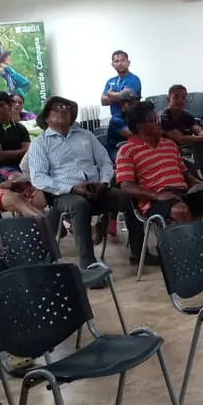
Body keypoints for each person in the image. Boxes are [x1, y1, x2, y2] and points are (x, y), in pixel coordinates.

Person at [28, 96, 135, 273]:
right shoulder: (40, 144)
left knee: (127, 197)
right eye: (56, 108)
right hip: (64, 194)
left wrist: (104, 182)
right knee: (79, 204)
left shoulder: (86, 136)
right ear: (46, 118)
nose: (63, 110)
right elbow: (38, 178)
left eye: (65, 107)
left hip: (96, 189)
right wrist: (72, 188)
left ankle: (138, 252)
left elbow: (105, 162)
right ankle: (88, 264)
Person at [117, 101, 203, 226]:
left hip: (183, 194)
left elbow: (185, 175)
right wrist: (156, 195)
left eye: (158, 118)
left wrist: (200, 185)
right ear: (140, 126)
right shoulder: (127, 151)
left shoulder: (169, 144)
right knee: (182, 211)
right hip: (156, 199)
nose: (159, 122)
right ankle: (195, 238)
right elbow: (127, 186)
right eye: (154, 120)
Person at [161, 83, 203, 162]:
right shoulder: (163, 117)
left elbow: (199, 131)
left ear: (187, 100)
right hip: (166, 153)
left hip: (184, 152)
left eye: (183, 97)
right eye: (176, 97)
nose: (180, 100)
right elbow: (181, 139)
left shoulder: (187, 114)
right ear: (168, 99)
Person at [0, 91, 31, 170]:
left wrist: (4, 154)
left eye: (1, 105)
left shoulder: (20, 128)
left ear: (10, 106)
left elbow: (27, 151)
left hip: (22, 166)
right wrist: (20, 152)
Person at [100, 50, 142, 119]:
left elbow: (126, 95)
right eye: (116, 61)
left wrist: (110, 93)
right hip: (115, 119)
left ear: (128, 63)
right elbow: (103, 101)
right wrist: (122, 98)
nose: (120, 63)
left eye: (123, 60)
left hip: (130, 119)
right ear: (113, 65)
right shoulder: (110, 81)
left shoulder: (133, 79)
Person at [103, 90, 140, 163]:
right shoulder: (116, 119)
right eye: (130, 103)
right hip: (116, 149)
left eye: (135, 102)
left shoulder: (134, 116)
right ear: (122, 104)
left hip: (131, 146)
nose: (134, 106)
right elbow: (131, 134)